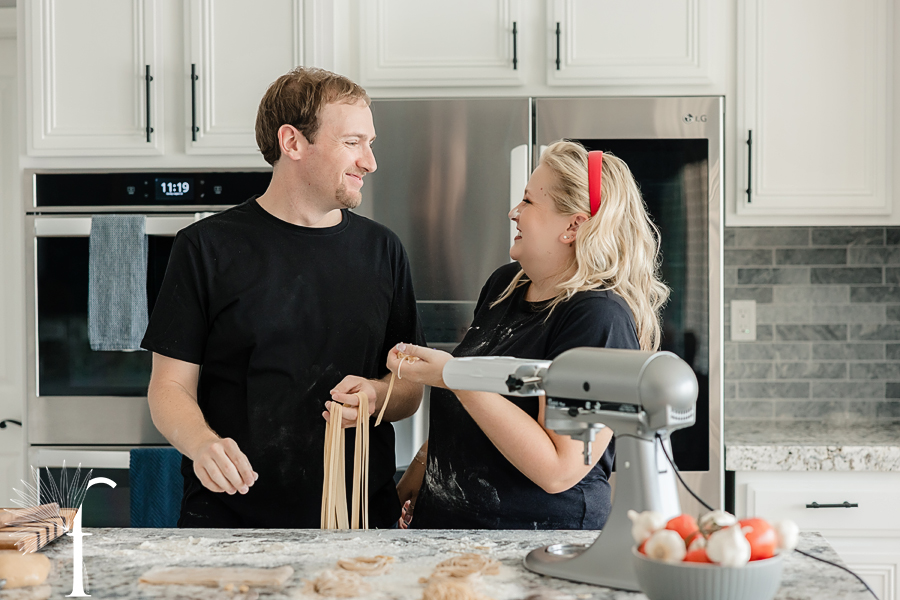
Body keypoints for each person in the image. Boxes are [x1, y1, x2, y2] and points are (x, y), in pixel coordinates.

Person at [142, 67, 425, 528]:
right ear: (292, 142)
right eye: (353, 143)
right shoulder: (206, 247)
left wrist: (375, 395)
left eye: (370, 143)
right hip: (232, 520)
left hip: (359, 524)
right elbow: (168, 387)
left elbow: (409, 390)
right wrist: (201, 443)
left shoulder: (383, 250)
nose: (369, 162)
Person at [389, 141, 669, 529]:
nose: (513, 213)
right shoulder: (505, 286)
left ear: (572, 226)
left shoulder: (598, 318)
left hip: (537, 547)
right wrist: (409, 487)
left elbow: (559, 469)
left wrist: (452, 376)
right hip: (450, 541)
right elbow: (474, 418)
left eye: (528, 202)